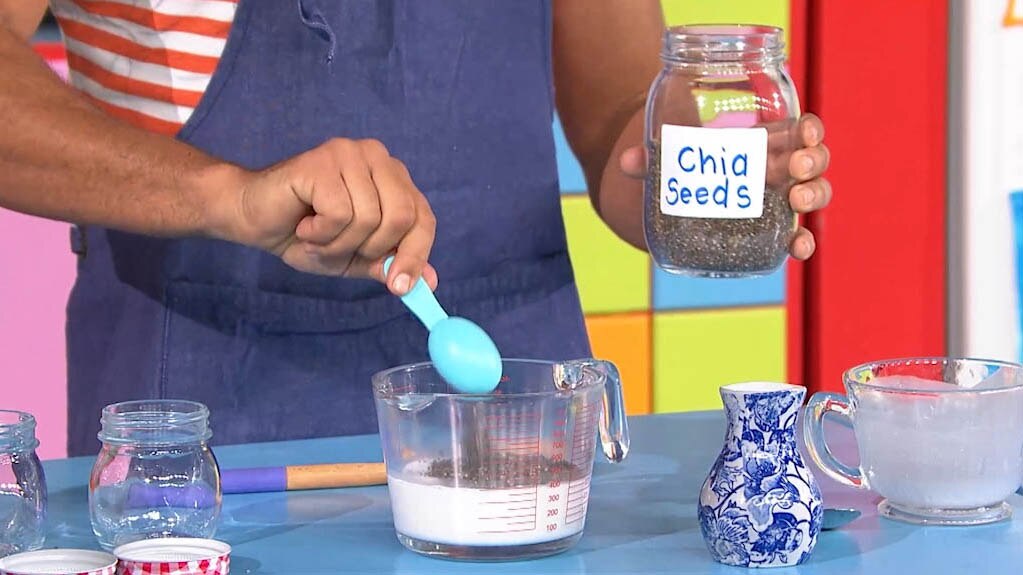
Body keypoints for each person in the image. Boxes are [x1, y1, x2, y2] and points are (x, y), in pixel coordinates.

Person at [0, 1, 831, 455]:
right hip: (202, 427)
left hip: (518, 417)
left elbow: (620, 117)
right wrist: (226, 194)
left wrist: (683, 177)